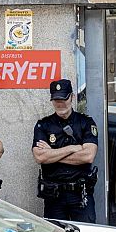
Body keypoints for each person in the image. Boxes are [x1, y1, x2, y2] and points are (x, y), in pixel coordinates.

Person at [33, 79, 98, 223]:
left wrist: (52, 153)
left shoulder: (85, 122)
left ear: (72, 97)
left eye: (63, 98)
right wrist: (71, 149)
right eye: (56, 99)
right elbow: (39, 157)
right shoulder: (43, 125)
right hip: (54, 195)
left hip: (80, 194)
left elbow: (88, 156)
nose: (60, 103)